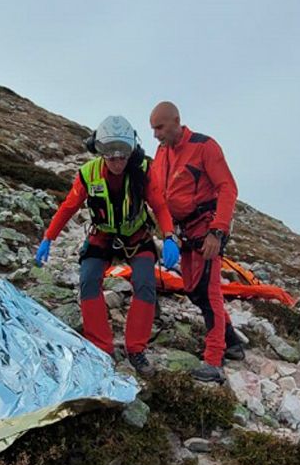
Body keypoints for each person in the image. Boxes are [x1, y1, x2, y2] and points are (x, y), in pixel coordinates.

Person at [34, 116, 179, 375]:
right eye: (111, 156)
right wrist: (48, 237)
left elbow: (159, 205)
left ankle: (136, 349)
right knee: (89, 280)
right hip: (102, 236)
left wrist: (169, 236)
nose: (118, 162)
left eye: (123, 155)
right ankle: (101, 347)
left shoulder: (143, 171)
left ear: (130, 151)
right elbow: (69, 207)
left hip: (137, 237)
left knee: (146, 283)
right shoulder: (89, 174)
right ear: (100, 152)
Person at [149, 102, 243, 383]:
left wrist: (218, 232)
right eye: (153, 128)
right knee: (193, 289)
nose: (155, 134)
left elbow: (228, 188)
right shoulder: (161, 152)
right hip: (183, 232)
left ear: (176, 121)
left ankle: (214, 361)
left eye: (160, 127)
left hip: (207, 231)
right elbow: (158, 192)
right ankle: (233, 342)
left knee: (210, 291)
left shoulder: (205, 147)